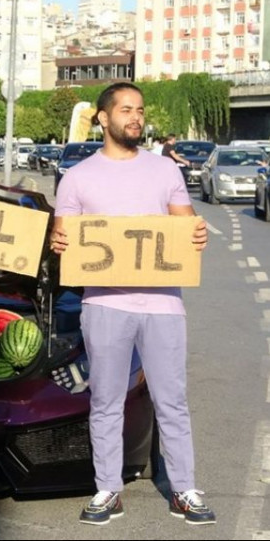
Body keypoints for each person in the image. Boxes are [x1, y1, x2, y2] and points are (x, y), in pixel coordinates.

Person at [49, 83, 214, 527]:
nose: (135, 117)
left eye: (139, 110)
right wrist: (57, 239)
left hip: (163, 306)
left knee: (171, 400)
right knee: (105, 399)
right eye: (126, 110)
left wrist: (196, 234)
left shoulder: (165, 172)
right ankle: (107, 490)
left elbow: (186, 231)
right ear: (103, 118)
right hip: (104, 306)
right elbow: (62, 239)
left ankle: (184, 490)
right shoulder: (79, 177)